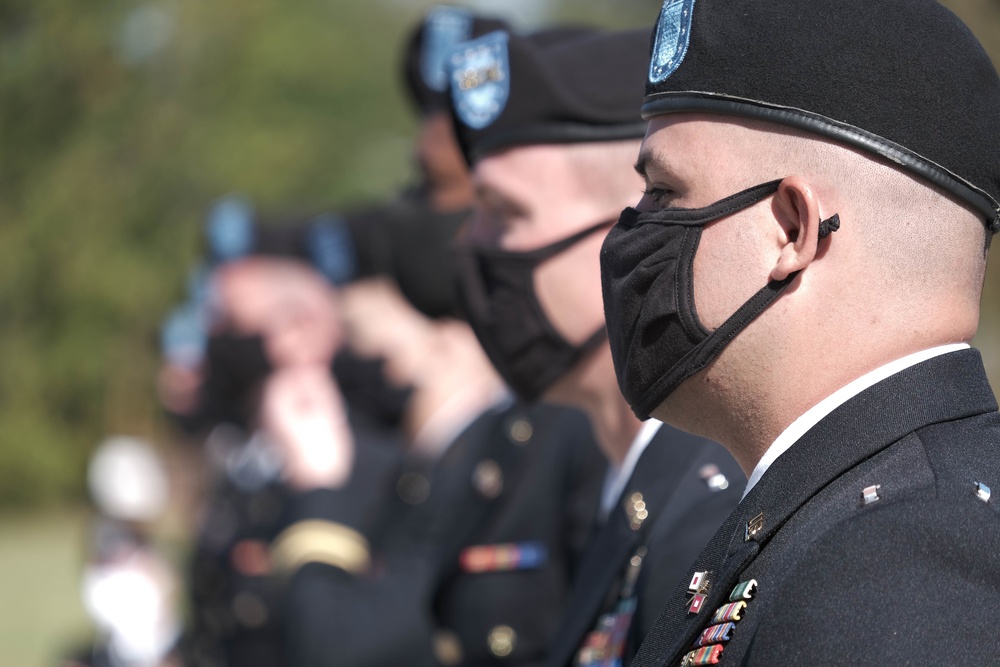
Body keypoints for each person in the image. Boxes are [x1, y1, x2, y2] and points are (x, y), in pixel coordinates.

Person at [597, 0, 1000, 665]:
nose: (632, 229)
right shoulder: (834, 507)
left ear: (791, 230)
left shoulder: (899, 558)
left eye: (665, 192)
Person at [444, 27, 744, 667]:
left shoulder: (708, 518)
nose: (475, 247)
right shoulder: (628, 492)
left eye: (507, 214)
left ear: (632, 219)